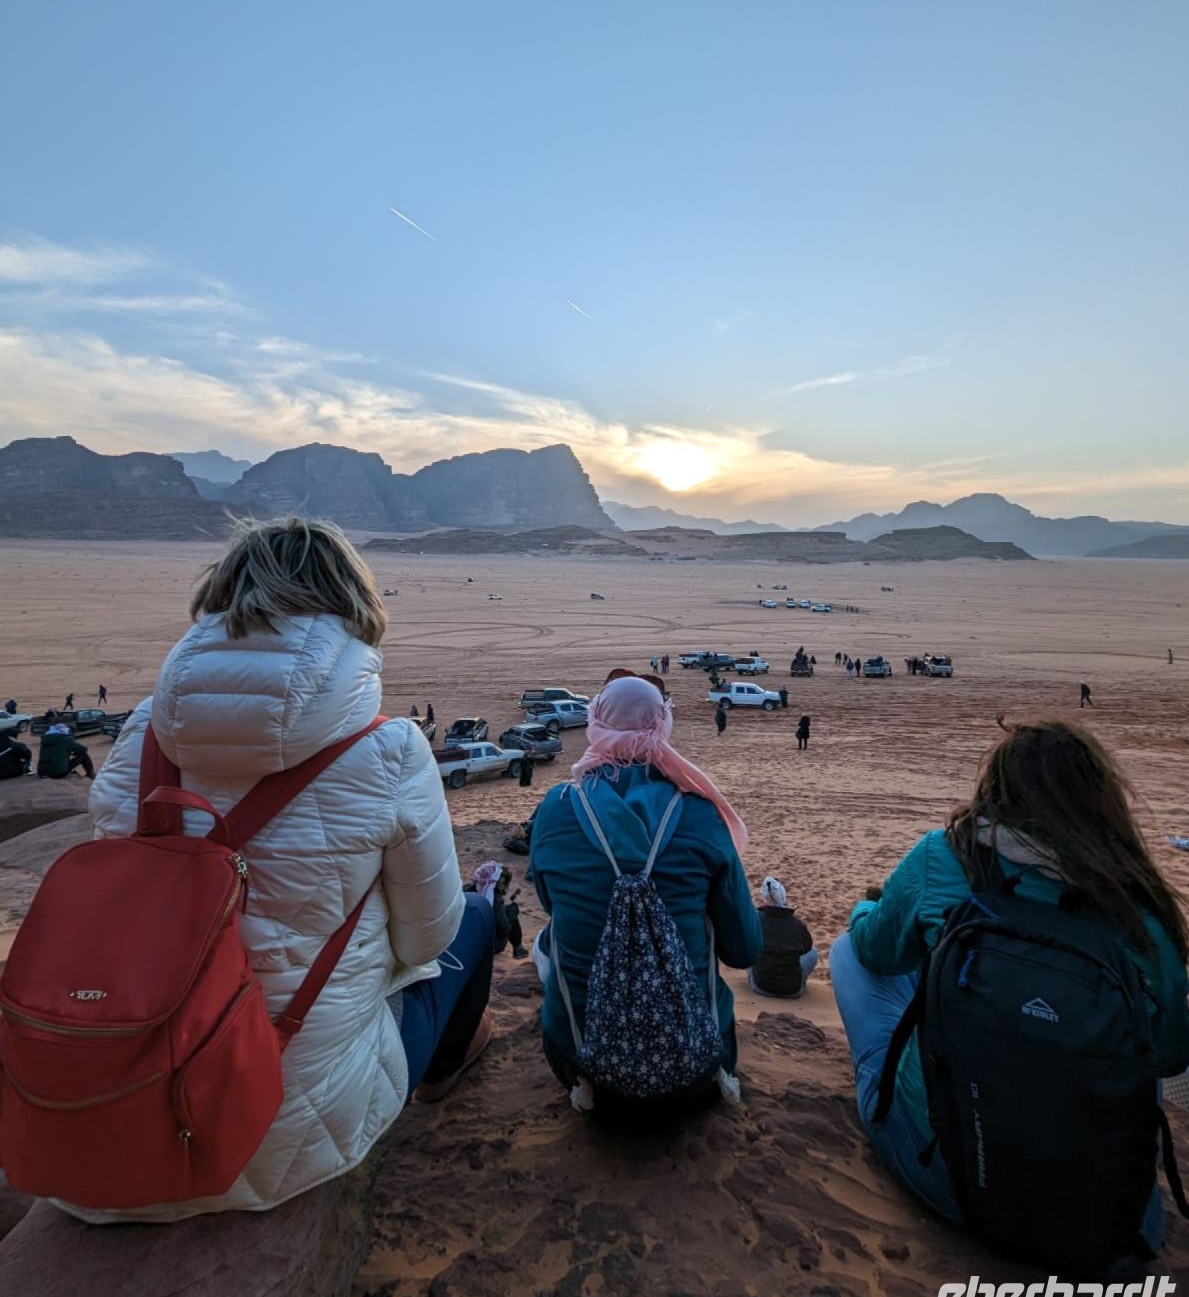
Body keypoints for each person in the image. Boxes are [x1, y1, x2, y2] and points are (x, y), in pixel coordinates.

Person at [71, 516, 491, 1223]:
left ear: (223, 594)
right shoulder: (388, 749)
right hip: (278, 1126)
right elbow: (425, 940)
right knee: (473, 922)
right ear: (353, 603)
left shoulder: (144, 732)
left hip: (111, 1107)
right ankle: (446, 1072)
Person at [829, 717, 1189, 1253]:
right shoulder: (1139, 905)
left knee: (847, 952)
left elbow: (874, 951)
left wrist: (867, 910)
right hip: (1111, 1219)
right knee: (1136, 1031)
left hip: (950, 1180)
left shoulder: (944, 856)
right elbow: (1169, 1056)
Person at [529, 674, 761, 1121]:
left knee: (549, 941)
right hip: (696, 1076)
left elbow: (550, 905)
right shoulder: (698, 813)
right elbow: (743, 949)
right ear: (663, 726)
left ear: (595, 723)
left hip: (585, 1074)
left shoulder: (557, 809)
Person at [749, 878, 818, 998]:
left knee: (749, 948)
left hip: (760, 986)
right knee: (813, 953)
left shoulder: (755, 920)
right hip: (792, 989)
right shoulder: (797, 924)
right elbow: (807, 947)